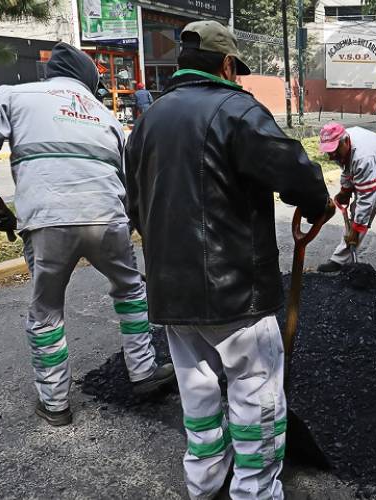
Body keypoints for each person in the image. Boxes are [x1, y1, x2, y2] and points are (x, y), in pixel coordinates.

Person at [125, 21, 333, 500]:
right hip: (234, 289)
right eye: (235, 68)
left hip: (171, 290)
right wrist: (318, 203)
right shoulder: (236, 109)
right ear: (224, 65)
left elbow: (133, 201)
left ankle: (204, 483)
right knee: (255, 393)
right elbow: (292, 170)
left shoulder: (148, 119)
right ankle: (254, 491)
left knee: (196, 390)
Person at [0, 42, 175, 427]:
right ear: (89, 80)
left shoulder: (14, 95)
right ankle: (144, 372)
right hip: (107, 218)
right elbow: (128, 178)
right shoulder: (105, 114)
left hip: (48, 220)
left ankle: (55, 404)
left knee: (47, 310)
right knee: (131, 291)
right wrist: (131, 226)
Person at [316, 123, 376, 278]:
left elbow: (366, 201)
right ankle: (340, 260)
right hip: (373, 170)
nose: (331, 156)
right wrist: (345, 190)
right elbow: (348, 169)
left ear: (345, 142)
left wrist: (356, 230)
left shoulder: (364, 156)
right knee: (356, 214)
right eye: (328, 151)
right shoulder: (341, 147)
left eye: (333, 151)